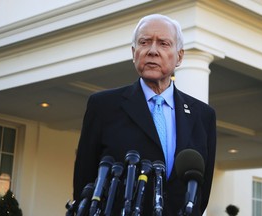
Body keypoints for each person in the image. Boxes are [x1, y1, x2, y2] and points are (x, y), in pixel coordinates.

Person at [73, 14, 216, 216]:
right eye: (144, 42)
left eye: (164, 43)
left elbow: (201, 193)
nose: (152, 51)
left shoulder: (203, 116)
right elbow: (84, 184)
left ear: (180, 57)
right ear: (134, 52)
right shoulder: (103, 106)